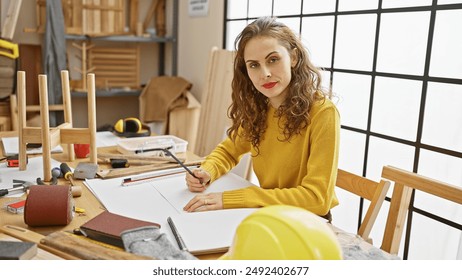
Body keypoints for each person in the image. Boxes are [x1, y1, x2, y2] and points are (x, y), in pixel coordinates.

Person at [183, 16, 340, 221]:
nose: (264, 73)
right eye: (254, 65)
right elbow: (229, 151)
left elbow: (317, 199)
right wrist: (207, 170)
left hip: (308, 221)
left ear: (293, 58)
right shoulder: (260, 109)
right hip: (269, 212)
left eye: (273, 60)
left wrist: (237, 197)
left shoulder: (322, 113)